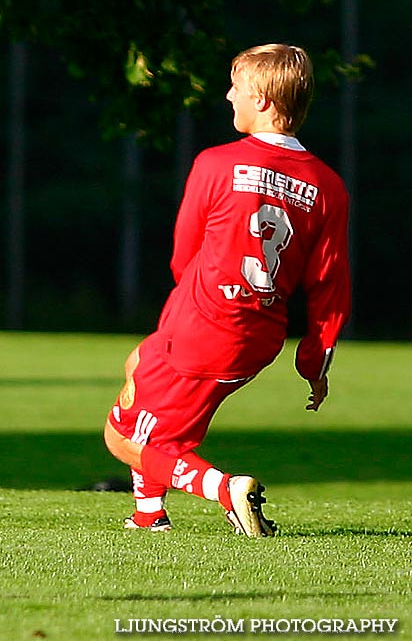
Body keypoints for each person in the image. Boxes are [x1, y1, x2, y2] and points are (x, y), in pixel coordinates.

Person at [103, 44, 350, 537]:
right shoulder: (328, 185)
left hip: (204, 325)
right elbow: (329, 284)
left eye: (236, 85)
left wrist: (195, 303)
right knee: (139, 366)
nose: (227, 94)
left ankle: (225, 490)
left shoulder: (216, 164)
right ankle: (149, 515)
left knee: (122, 437)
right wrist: (314, 365)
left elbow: (182, 256)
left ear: (262, 100)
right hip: (259, 335)